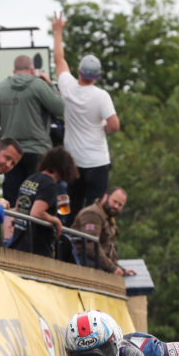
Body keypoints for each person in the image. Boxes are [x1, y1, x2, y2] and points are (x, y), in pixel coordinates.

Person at [52, 12, 120, 219]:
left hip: (73, 161)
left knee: (69, 206)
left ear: (79, 72)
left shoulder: (68, 86)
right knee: (94, 210)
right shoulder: (101, 96)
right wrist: (103, 128)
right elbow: (114, 125)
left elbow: (59, 59)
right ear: (97, 77)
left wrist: (58, 31)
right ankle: (89, 247)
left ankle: (67, 242)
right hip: (97, 161)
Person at [0, 53, 64, 206]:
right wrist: (50, 84)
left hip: (10, 153)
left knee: (11, 198)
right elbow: (59, 108)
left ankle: (11, 228)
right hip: (38, 150)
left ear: (14, 71)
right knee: (37, 197)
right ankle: (33, 230)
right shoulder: (39, 85)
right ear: (32, 70)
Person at [8, 146, 78, 257]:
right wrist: (56, 221)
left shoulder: (31, 178)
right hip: (36, 250)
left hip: (19, 242)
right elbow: (36, 213)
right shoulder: (49, 184)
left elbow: (18, 206)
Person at [69, 186, 135, 275]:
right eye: (114, 202)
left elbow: (109, 249)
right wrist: (112, 268)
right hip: (82, 261)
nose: (116, 206)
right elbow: (91, 247)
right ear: (105, 197)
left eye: (120, 205)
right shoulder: (92, 214)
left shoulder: (108, 217)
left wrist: (121, 269)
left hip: (96, 261)